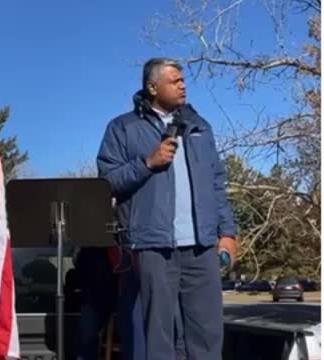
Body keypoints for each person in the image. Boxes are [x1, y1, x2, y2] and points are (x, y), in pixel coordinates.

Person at [96, 57, 238, 360]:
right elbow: (107, 181)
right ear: (152, 86)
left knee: (207, 333)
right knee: (159, 337)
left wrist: (227, 232)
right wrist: (147, 163)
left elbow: (216, 181)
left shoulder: (199, 126)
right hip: (153, 246)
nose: (183, 85)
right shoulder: (123, 128)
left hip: (201, 246)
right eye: (175, 80)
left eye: (183, 79)